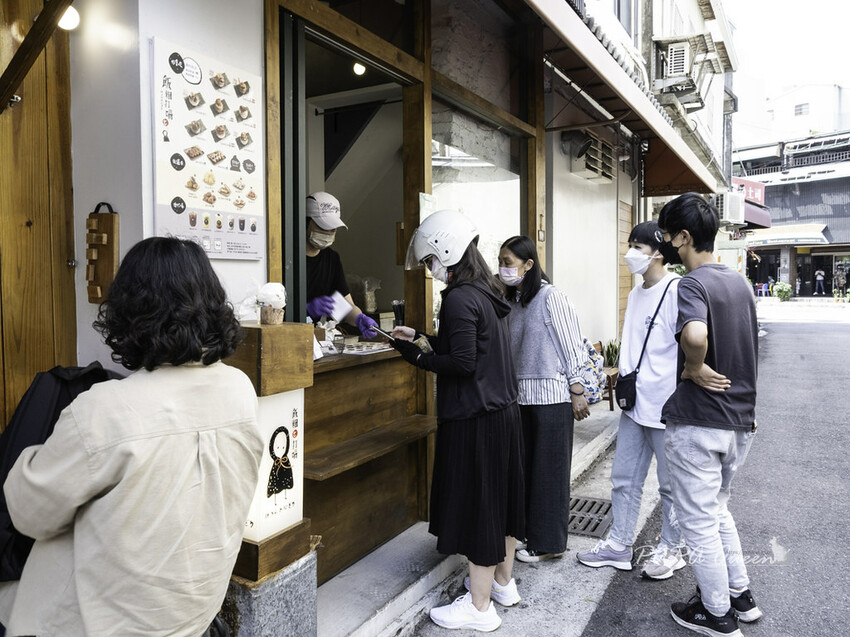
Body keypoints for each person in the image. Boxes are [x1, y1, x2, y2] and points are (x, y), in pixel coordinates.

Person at [0, 237, 264, 637]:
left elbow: (28, 514)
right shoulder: (240, 391)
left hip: (99, 625)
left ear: (130, 313)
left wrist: (37, 453)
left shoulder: (104, 408)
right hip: (190, 615)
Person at [391, 211, 524, 632]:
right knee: (500, 504)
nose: (429, 269)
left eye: (430, 259)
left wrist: (417, 357)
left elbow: (463, 362)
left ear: (446, 250)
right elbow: (473, 349)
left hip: (475, 418)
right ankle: (503, 583)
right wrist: (427, 338)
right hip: (500, 413)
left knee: (480, 508)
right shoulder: (484, 291)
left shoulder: (460, 297)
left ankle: (480, 608)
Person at [657, 194, 762, 637]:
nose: (663, 243)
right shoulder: (738, 283)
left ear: (684, 238)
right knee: (717, 510)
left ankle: (716, 614)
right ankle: (741, 595)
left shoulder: (692, 284)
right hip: (740, 423)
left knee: (697, 521)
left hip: (700, 423)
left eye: (666, 235)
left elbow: (696, 333)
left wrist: (694, 365)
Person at [576, 221, 684, 579]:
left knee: (670, 486)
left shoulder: (677, 290)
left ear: (657, 251)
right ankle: (620, 545)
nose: (631, 253)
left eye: (639, 246)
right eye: (630, 245)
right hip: (635, 405)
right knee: (624, 479)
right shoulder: (636, 293)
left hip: (667, 407)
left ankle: (671, 548)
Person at [497, 235, 588, 564]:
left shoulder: (551, 297)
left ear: (528, 265)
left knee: (549, 474)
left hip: (552, 399)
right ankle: (531, 536)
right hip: (521, 399)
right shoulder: (513, 302)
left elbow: (571, 343)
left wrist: (577, 390)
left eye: (508, 262)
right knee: (528, 473)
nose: (503, 268)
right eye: (501, 262)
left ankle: (550, 543)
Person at [305, 191, 378, 337]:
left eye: (333, 228)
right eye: (323, 226)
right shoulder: (285, 257)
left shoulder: (331, 258)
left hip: (312, 337)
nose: (330, 232)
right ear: (305, 222)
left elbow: (344, 307)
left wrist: (359, 318)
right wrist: (305, 310)